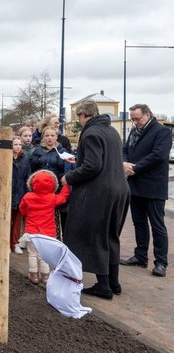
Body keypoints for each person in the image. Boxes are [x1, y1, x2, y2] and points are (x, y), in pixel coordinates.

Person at [62, 101, 130, 299]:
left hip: (100, 192)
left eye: (78, 118)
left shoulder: (90, 133)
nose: (79, 122)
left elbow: (93, 166)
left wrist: (69, 177)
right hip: (120, 189)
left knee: (96, 236)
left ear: (83, 115)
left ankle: (103, 286)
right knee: (111, 235)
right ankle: (114, 283)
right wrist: (79, 160)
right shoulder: (111, 132)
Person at [120, 103, 172, 277]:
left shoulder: (162, 132)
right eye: (133, 119)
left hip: (153, 186)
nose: (135, 122)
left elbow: (158, 155)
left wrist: (135, 168)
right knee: (139, 223)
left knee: (157, 225)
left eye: (138, 118)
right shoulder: (134, 131)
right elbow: (125, 149)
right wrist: (124, 163)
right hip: (135, 185)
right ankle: (140, 256)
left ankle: (161, 263)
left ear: (148, 114)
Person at [20, 170, 70, 284]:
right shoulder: (52, 197)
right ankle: (45, 276)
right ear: (52, 184)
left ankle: (34, 275)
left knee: (32, 254)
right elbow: (63, 197)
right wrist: (66, 186)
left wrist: (28, 212)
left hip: (31, 232)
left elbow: (22, 209)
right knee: (44, 256)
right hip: (47, 233)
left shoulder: (28, 196)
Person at [10, 136, 31, 254]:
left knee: (17, 221)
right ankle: (7, 244)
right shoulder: (6, 157)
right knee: (7, 220)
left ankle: (15, 243)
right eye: (15, 144)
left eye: (19, 145)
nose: (18, 147)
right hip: (9, 193)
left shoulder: (25, 158)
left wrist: (27, 194)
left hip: (20, 193)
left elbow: (28, 177)